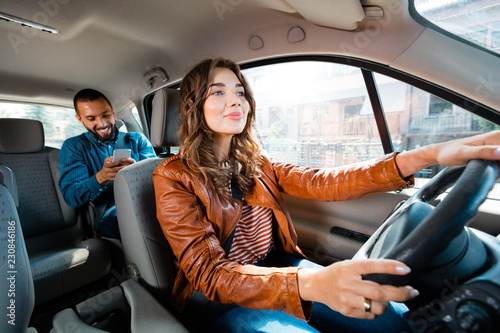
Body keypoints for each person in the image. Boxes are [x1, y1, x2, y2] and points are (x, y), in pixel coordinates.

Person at [152, 57, 500, 333]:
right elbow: (211, 275)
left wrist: (427, 156)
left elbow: (325, 181)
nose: (235, 101)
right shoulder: (172, 175)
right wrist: (312, 282)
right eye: (218, 92)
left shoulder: (255, 161)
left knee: (389, 322)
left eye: (240, 91)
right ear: (194, 106)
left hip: (282, 270)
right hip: (223, 301)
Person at [59, 88, 156, 239]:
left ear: (113, 112)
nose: (102, 124)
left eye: (106, 115)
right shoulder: (74, 147)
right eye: (91, 119)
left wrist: (136, 171)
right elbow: (71, 197)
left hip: (147, 202)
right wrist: (101, 177)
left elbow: (158, 179)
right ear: (80, 119)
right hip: (109, 214)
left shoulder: (137, 140)